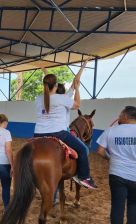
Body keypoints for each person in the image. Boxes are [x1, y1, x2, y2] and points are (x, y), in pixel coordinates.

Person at [34, 59, 98, 190]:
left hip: (38, 134)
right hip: (58, 133)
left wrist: (45, 71)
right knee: (83, 149)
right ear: (56, 85)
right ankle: (84, 177)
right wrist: (78, 88)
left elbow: (53, 85)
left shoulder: (39, 99)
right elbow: (77, 102)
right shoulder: (64, 98)